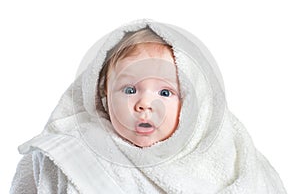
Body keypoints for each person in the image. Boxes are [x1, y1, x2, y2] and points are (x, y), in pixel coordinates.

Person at [10, 19, 286, 194]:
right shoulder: (74, 151)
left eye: (165, 92)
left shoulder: (222, 155)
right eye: (129, 90)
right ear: (103, 95)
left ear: (192, 105)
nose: (144, 104)